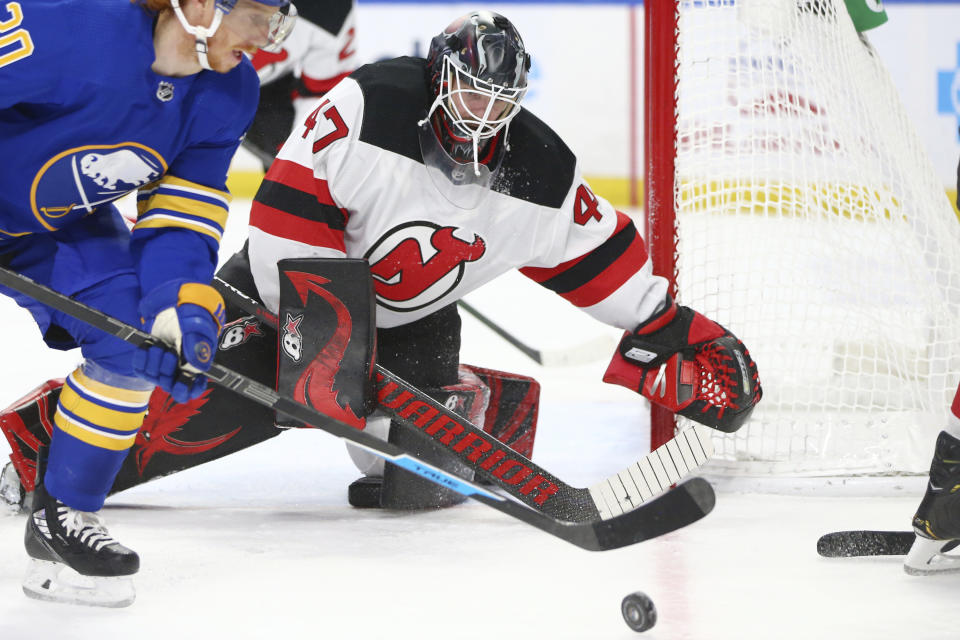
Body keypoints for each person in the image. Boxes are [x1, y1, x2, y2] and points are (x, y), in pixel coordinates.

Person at [244, 10, 763, 509]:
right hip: (295, 294)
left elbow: (592, 248)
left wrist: (666, 323)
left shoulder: (536, 167)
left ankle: (471, 398)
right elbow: (287, 210)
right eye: (472, 92)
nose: (483, 114)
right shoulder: (373, 103)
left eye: (499, 101)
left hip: (417, 325)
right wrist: (322, 326)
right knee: (197, 409)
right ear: (440, 76)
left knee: (411, 482)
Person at [0, 0, 295, 606]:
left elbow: (181, 219)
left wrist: (176, 307)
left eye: (280, 24)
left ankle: (63, 520)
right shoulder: (67, 25)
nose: (270, 40)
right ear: (202, 6)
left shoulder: (230, 92)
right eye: (263, 17)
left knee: (133, 346)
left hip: (57, 230)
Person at [246, 0, 358, 171]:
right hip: (195, 76)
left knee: (296, 167)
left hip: (260, 92)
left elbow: (322, 93)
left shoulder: (333, 10)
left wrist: (301, 154)